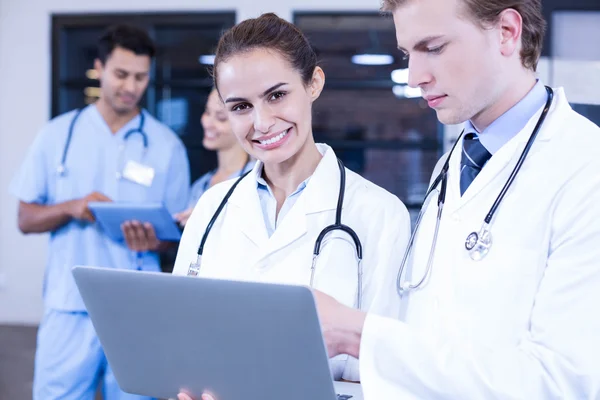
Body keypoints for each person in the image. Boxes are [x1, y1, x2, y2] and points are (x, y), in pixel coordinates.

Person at [312, 0, 600, 398]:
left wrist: (358, 334)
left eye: (433, 48)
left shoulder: (587, 169)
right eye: (407, 53)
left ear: (507, 32)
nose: (414, 77)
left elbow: (562, 384)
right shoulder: (454, 164)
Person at [172, 12, 410, 398]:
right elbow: (180, 344)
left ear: (313, 83)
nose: (262, 123)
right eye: (240, 107)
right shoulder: (212, 207)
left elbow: (388, 370)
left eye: (276, 95)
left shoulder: (379, 214)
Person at [10, 24, 190, 400]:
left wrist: (155, 241)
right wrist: (73, 207)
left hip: (137, 310)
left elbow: (180, 236)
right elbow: (25, 218)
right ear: (99, 68)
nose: (131, 86)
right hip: (68, 305)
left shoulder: (166, 146)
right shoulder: (57, 135)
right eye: (121, 74)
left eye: (141, 77)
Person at [175, 88, 254, 227]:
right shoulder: (201, 185)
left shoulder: (258, 180)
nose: (207, 123)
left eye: (221, 118)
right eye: (207, 112)